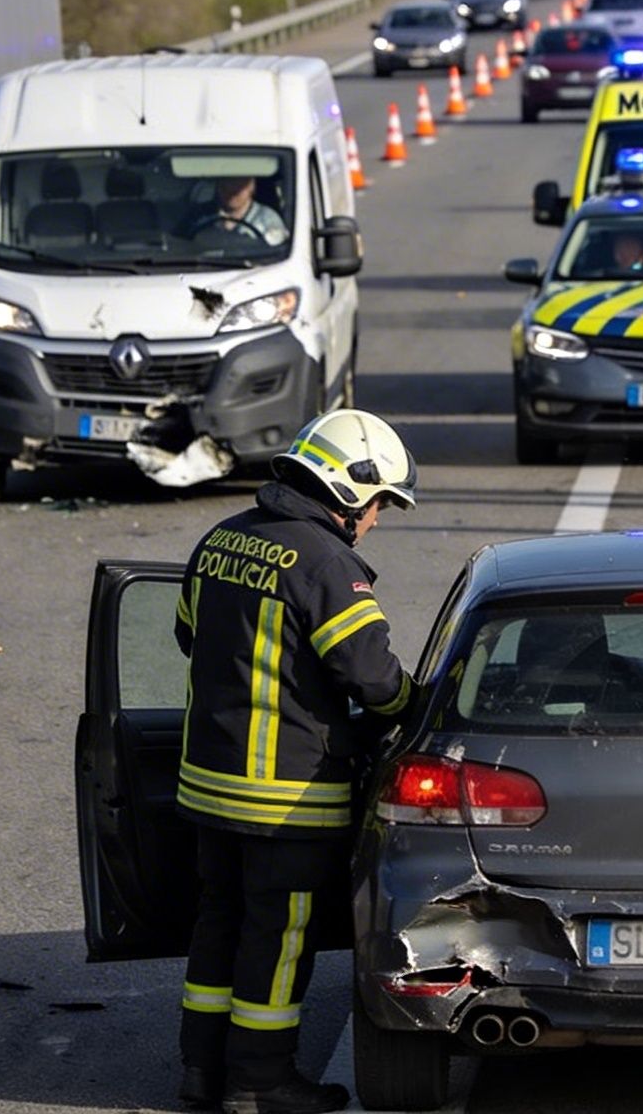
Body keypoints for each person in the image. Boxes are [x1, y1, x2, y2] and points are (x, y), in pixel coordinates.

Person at [176, 409, 418, 1114]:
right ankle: (259, 1081)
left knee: (217, 927)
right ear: (350, 492)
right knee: (277, 942)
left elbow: (189, 631)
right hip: (284, 797)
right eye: (379, 506)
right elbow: (375, 679)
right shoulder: (326, 563)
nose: (376, 521)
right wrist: (415, 708)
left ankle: (202, 1072)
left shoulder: (221, 538)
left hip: (208, 789)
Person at [188, 176, 287, 246]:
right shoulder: (200, 214)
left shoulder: (267, 219)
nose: (231, 189)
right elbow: (179, 242)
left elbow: (276, 256)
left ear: (251, 187)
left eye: (239, 184)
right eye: (226, 183)